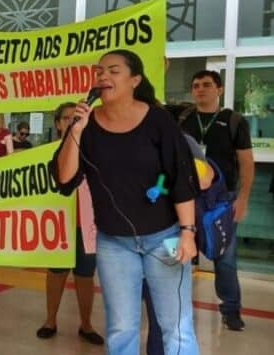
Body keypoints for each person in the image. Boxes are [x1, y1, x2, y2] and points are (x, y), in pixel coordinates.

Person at [53, 49, 199, 355]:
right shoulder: (86, 125)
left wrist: (188, 231)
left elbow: (181, 177)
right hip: (114, 243)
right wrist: (74, 131)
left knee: (177, 326)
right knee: (121, 328)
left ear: (135, 80)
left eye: (113, 70)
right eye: (98, 71)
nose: (103, 75)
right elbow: (65, 179)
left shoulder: (158, 120)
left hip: (165, 237)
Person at [179, 70, 254, 331]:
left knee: (225, 258)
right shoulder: (184, 119)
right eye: (196, 85)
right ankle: (176, 306)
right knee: (181, 255)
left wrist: (242, 199)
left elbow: (246, 163)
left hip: (222, 200)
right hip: (187, 199)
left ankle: (231, 309)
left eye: (207, 85)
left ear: (219, 90)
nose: (200, 89)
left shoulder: (233, 121)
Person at [36, 102, 103, 346]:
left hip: (86, 225)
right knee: (56, 273)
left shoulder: (93, 150)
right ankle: (50, 320)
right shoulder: (45, 152)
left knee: (85, 275)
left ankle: (86, 324)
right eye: (66, 118)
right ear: (57, 123)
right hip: (57, 224)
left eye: (75, 118)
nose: (70, 122)